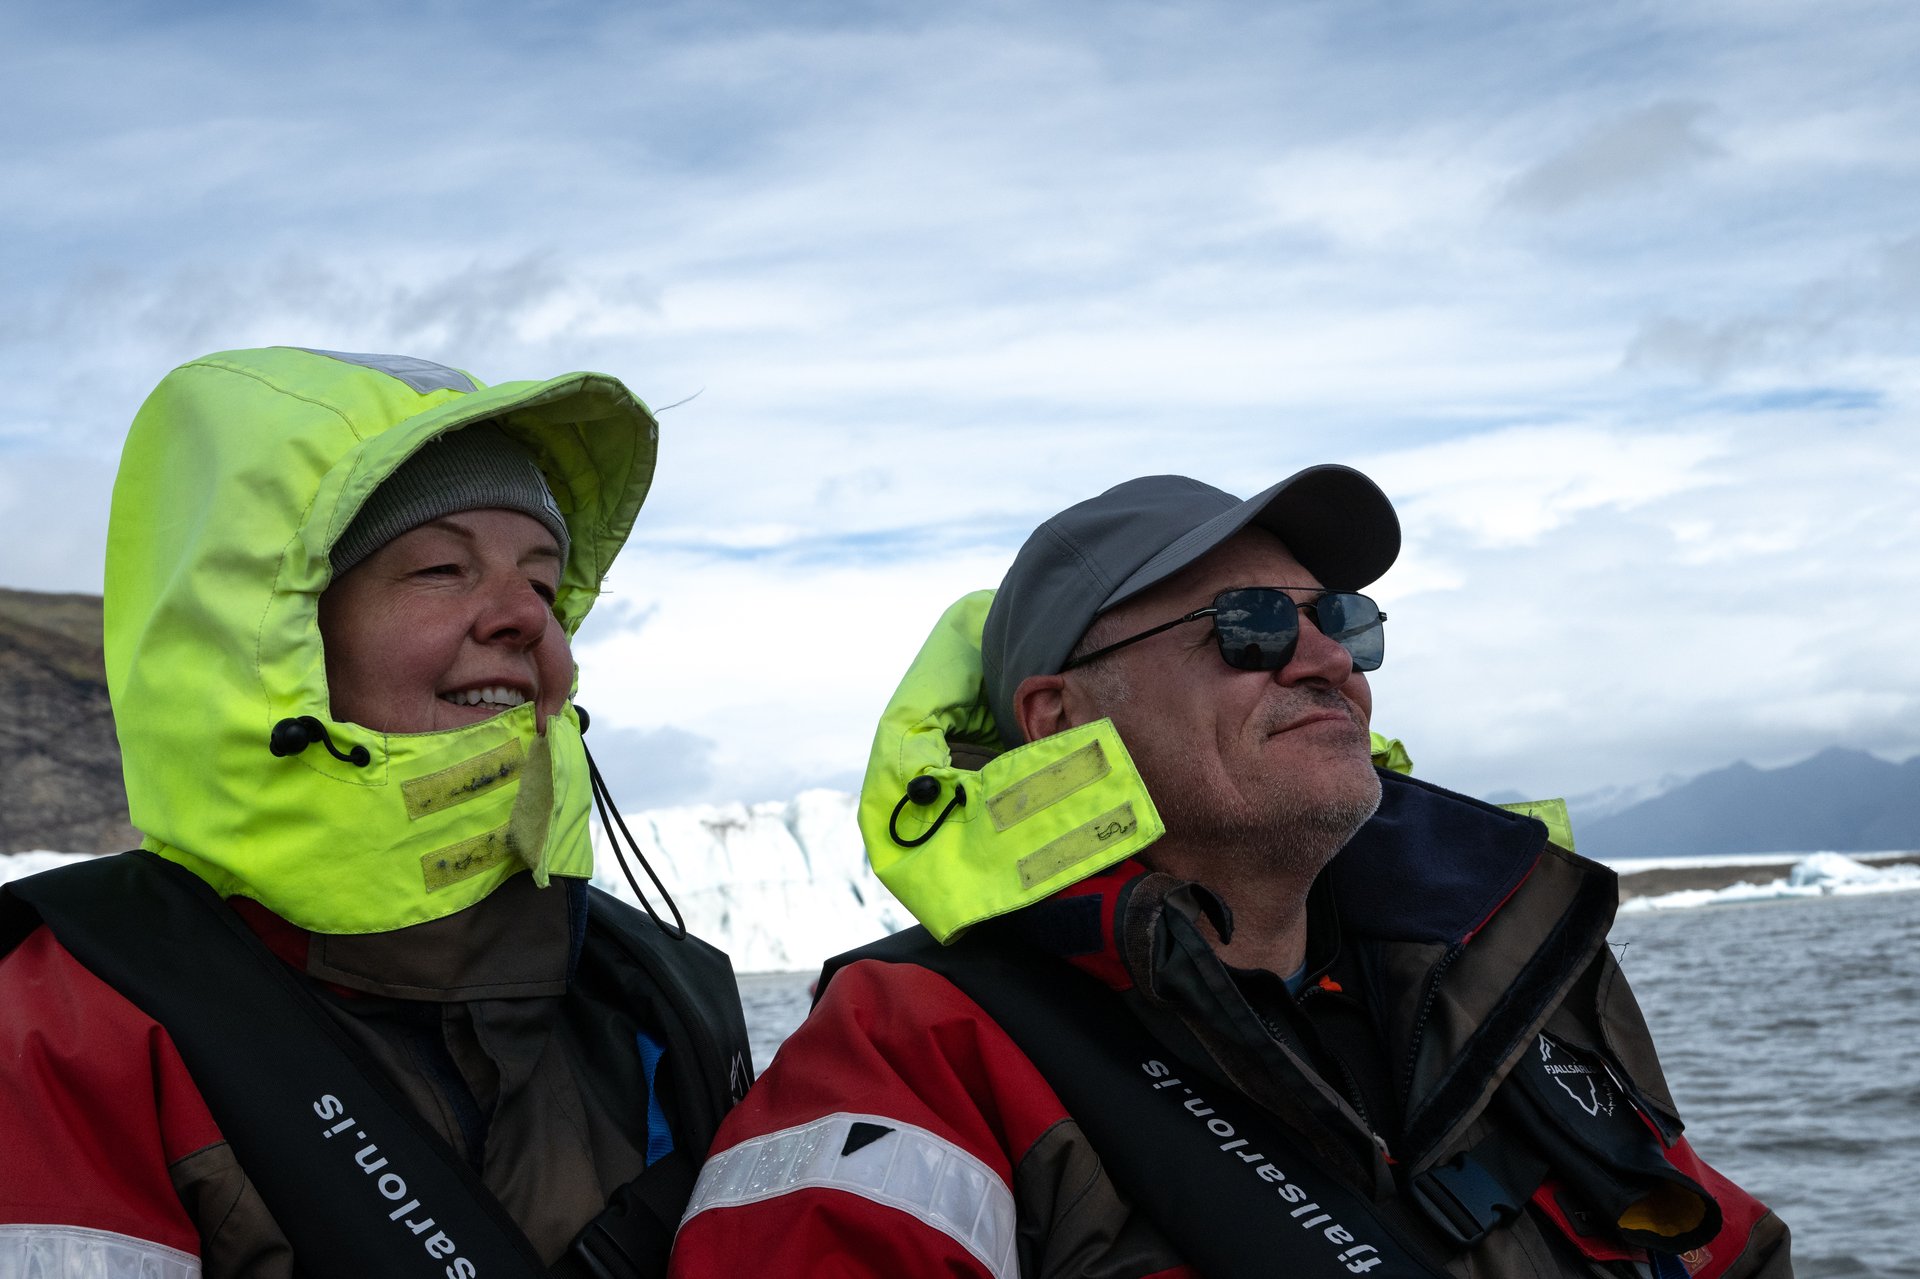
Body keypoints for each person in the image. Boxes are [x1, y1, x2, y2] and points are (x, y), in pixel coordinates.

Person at [669, 468, 1791, 1277]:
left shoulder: (1493, 990)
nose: (1325, 659)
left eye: (1340, 621)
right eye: (1248, 625)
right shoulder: (918, 1052)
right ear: (1060, 719)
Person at [0, 347, 751, 1277]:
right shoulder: (71, 1023)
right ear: (274, 641)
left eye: (545, 582)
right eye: (441, 567)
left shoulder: (652, 999)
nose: (524, 616)